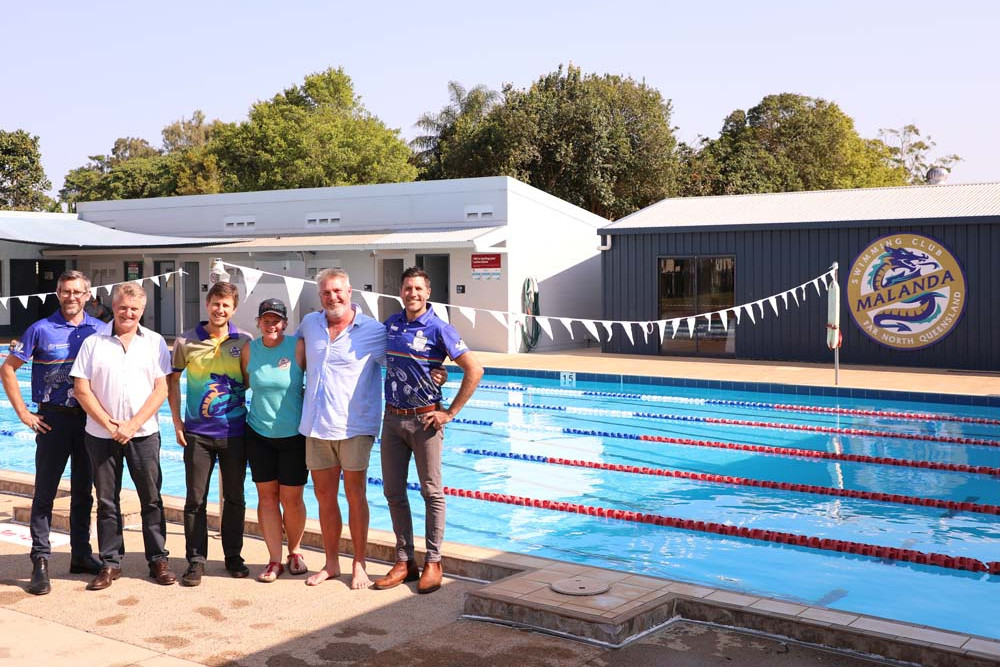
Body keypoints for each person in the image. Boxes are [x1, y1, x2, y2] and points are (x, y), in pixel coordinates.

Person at [372, 266, 483, 594]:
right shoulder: (391, 324)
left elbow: (475, 369)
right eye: (407, 288)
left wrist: (450, 412)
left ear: (428, 292)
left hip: (424, 421)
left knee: (431, 492)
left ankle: (434, 561)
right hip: (391, 419)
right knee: (393, 492)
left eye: (418, 288)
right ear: (401, 291)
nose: (412, 294)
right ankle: (405, 561)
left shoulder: (440, 328)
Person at [0, 270, 103, 595]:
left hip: (87, 421)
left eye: (77, 292)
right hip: (53, 421)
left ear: (88, 295)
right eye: (65, 291)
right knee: (45, 493)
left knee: (84, 493)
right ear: (58, 294)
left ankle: (81, 555)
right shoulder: (40, 330)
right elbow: (7, 369)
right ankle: (40, 561)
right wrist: (23, 414)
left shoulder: (99, 330)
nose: (71, 297)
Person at [71, 283, 176, 590]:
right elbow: (81, 389)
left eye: (134, 309)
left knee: (151, 499)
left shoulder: (155, 343)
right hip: (100, 435)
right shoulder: (94, 342)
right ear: (112, 307)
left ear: (142, 311)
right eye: (123, 307)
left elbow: (161, 389)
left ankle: (158, 559)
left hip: (143, 434)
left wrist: (131, 425)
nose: (128, 313)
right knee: (106, 502)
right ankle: (110, 562)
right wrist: (109, 424)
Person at [296, 269, 384, 589]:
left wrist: (434, 377)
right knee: (324, 498)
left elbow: (403, 362)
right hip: (316, 426)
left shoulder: (374, 331)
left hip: (355, 426)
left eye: (338, 291)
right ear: (320, 296)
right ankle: (331, 563)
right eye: (326, 293)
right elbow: (293, 358)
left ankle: (359, 563)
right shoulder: (310, 324)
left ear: (350, 292)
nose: (333, 297)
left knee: (355, 495)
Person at [168, 281, 252, 586]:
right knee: (195, 499)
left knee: (235, 498)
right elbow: (172, 382)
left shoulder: (244, 341)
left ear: (234, 309)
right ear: (208, 304)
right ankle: (195, 560)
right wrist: (177, 422)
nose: (220, 310)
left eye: (226, 305)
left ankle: (233, 556)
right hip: (198, 435)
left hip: (235, 432)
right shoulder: (186, 341)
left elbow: (250, 380)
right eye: (216, 304)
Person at [239, 298, 309, 583]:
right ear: (258, 322)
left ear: (285, 323)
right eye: (266, 319)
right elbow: (243, 384)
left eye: (277, 320)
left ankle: (295, 551)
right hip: (258, 434)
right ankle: (274, 559)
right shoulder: (249, 349)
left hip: (293, 434)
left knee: (292, 499)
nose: (272, 325)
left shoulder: (297, 347)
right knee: (266, 498)